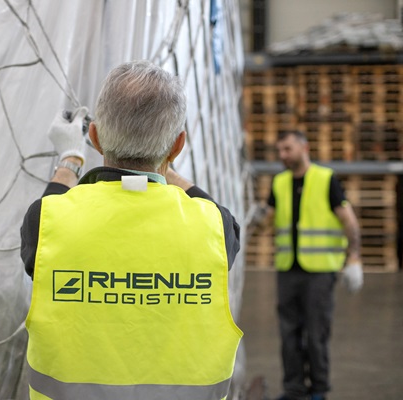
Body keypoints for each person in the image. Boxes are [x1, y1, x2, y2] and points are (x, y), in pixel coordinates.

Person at [20, 60, 243, 400]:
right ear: (178, 145)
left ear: (95, 138)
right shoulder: (215, 228)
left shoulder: (47, 221)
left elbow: (49, 212)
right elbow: (217, 214)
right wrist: (163, 163)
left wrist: (70, 160)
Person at [263, 130, 363, 400]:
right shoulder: (280, 182)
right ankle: (294, 389)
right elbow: (268, 219)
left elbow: (349, 221)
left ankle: (319, 390)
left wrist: (354, 258)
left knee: (316, 334)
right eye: (280, 150)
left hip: (319, 271)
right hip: (288, 269)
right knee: (289, 334)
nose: (282, 155)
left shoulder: (326, 179)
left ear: (304, 148)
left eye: (288, 149)